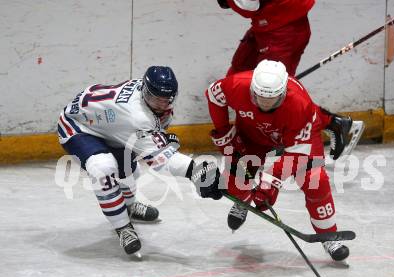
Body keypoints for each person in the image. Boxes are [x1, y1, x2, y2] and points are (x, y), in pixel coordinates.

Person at [58, 66, 223, 257]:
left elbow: (152, 138)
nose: (161, 104)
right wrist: (196, 172)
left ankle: (129, 206)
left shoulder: (148, 94)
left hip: (107, 124)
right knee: (103, 168)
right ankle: (123, 227)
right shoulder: (137, 116)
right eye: (155, 98)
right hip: (78, 126)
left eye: (166, 99)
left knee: (129, 171)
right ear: (145, 91)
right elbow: (162, 161)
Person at [205, 59, 349, 261]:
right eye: (259, 97)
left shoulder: (300, 105)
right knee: (235, 181)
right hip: (252, 135)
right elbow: (213, 95)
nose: (264, 103)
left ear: (282, 93)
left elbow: (297, 154)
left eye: (270, 99)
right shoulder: (237, 84)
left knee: (316, 180)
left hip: (298, 142)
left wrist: (270, 182)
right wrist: (223, 130)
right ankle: (244, 200)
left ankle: (329, 236)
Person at [216, 0, 362, 161]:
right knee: (237, 76)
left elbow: (250, 5)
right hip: (271, 23)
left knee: (270, 92)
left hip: (282, 29)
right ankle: (257, 142)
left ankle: (333, 123)